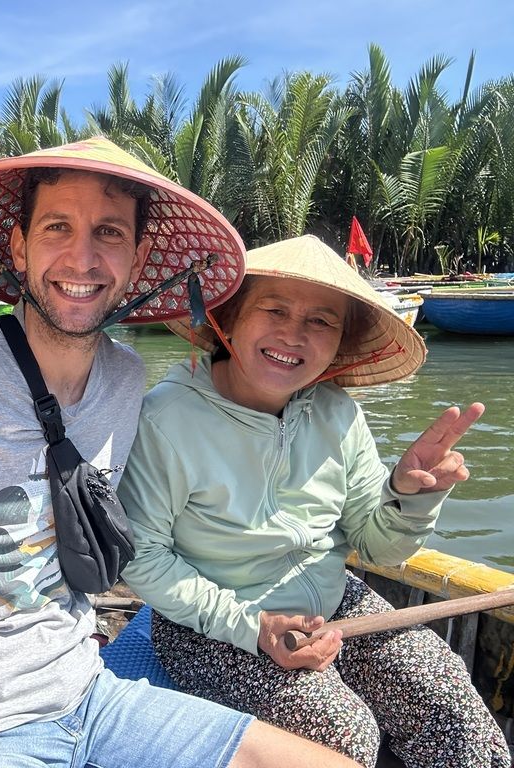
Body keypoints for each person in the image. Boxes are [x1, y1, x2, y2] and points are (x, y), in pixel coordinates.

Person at [0, 137, 362, 767]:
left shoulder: (126, 378)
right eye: (58, 227)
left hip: (90, 693)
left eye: (109, 233)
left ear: (139, 257)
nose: (82, 258)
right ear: (18, 246)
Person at [118, 234, 511, 767]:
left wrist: (410, 497)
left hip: (332, 604)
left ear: (338, 343)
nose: (293, 334)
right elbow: (142, 557)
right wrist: (251, 627)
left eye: (321, 321)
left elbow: (378, 549)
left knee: (443, 697)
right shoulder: (165, 419)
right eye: (273, 309)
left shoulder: (337, 413)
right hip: (206, 623)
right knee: (338, 733)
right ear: (227, 318)